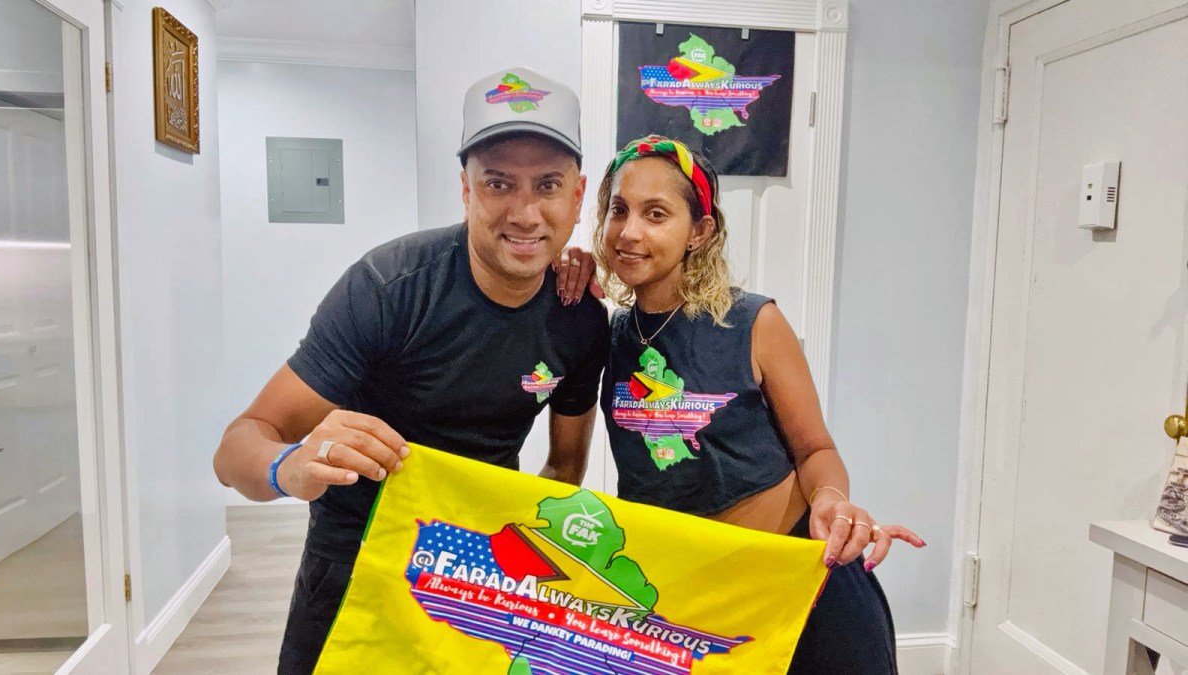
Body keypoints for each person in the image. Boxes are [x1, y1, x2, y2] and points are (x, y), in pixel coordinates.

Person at [212, 68, 607, 675]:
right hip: (356, 559)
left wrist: (528, 559)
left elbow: (564, 469)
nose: (525, 212)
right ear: (466, 190)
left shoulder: (580, 319)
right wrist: (287, 466)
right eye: (498, 182)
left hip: (478, 573)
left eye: (547, 185)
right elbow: (236, 448)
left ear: (577, 197)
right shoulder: (388, 288)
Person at [589, 135, 925, 674]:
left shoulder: (752, 322)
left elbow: (815, 449)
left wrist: (831, 502)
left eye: (656, 214)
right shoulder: (608, 336)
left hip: (799, 579)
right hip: (693, 599)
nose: (629, 232)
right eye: (618, 210)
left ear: (699, 232)